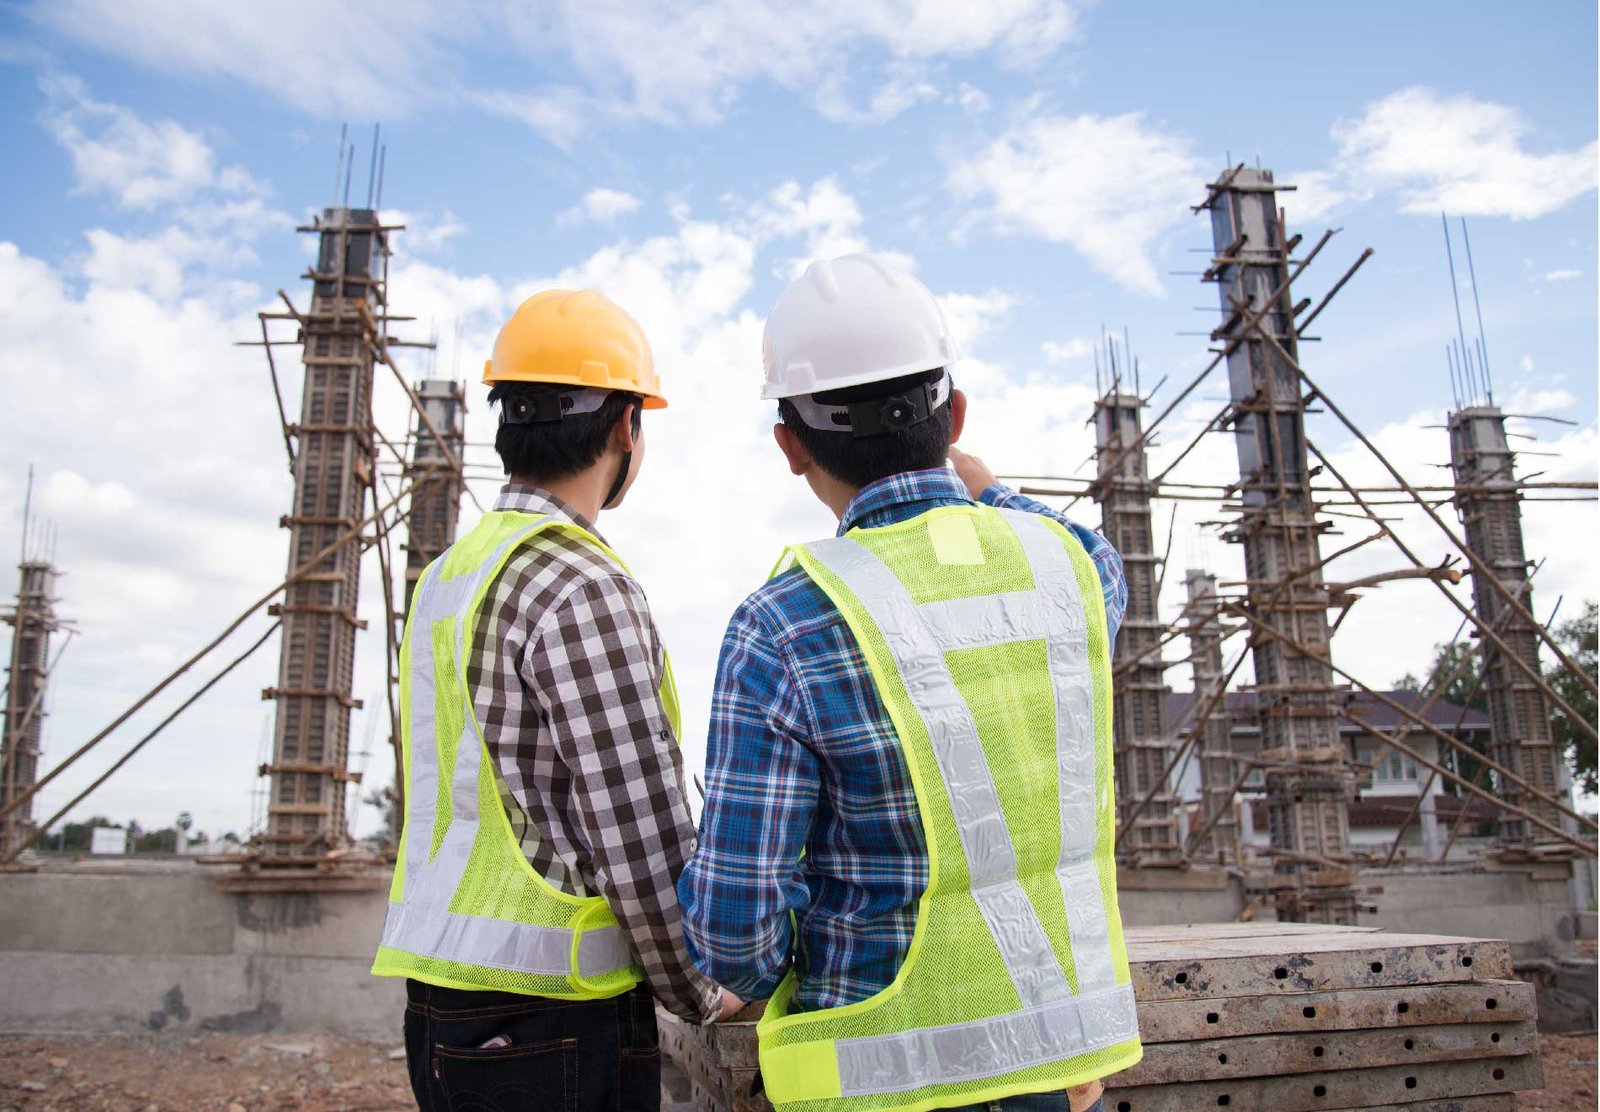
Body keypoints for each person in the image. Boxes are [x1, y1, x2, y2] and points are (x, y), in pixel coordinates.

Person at [680, 254, 1142, 1112]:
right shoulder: (1072, 576)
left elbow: (734, 933)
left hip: (871, 1079)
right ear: (955, 415)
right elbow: (1093, 552)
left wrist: (752, 966)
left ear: (790, 446)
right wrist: (991, 489)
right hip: (1046, 1064)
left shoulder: (784, 625)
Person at [373, 289, 740, 1112]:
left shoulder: (450, 576)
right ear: (625, 427)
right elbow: (636, 827)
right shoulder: (579, 582)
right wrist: (697, 989)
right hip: (553, 1019)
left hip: (441, 1001)